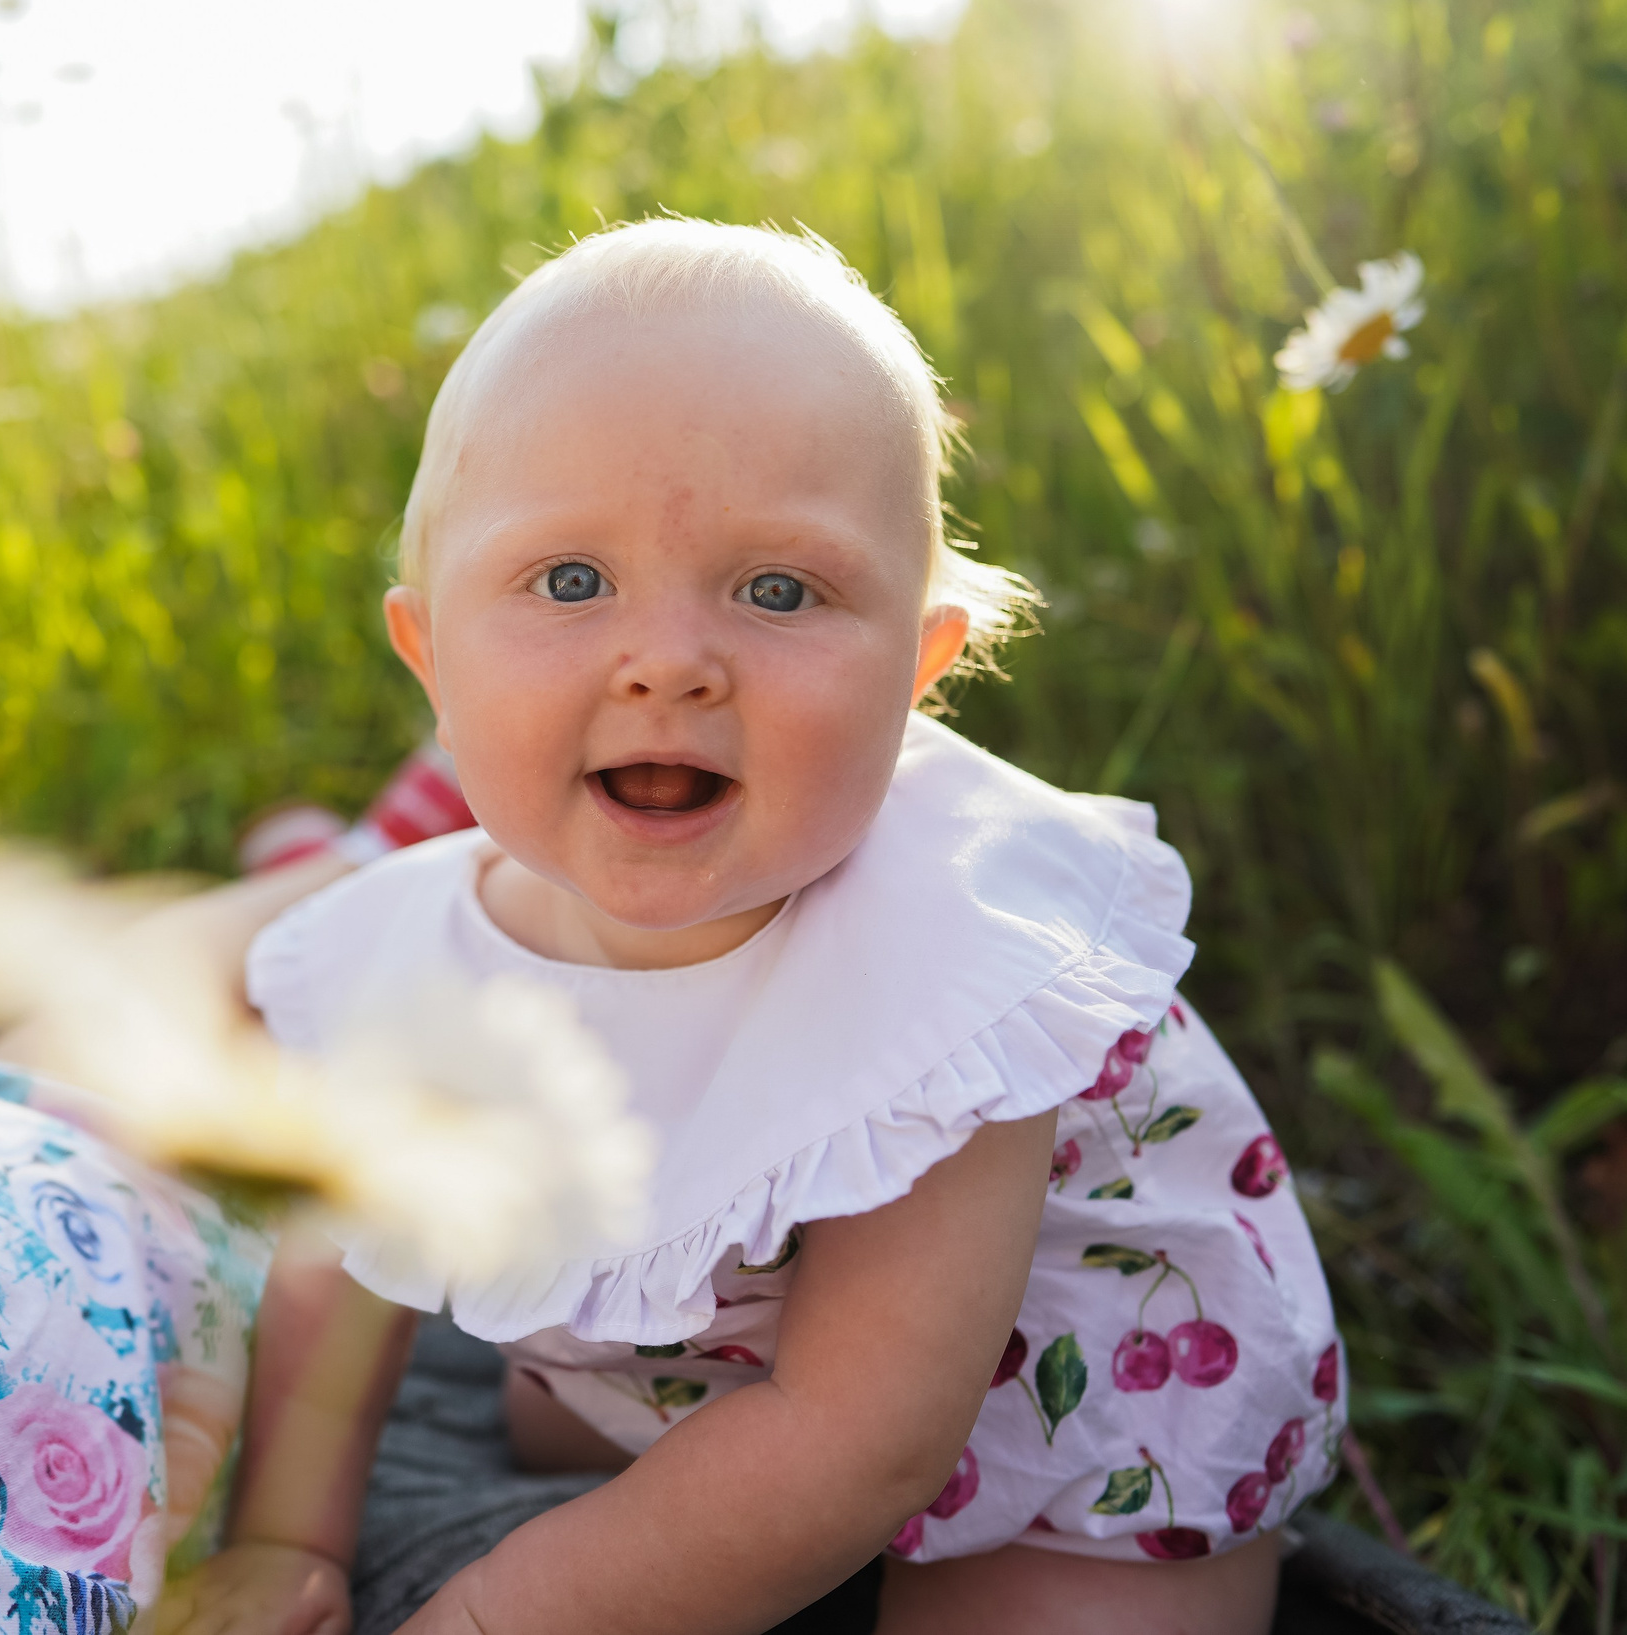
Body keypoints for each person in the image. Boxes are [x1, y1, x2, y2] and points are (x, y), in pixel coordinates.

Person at [175, 218, 1344, 1635]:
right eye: (567, 581)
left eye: (779, 589)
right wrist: (289, 1539)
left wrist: (490, 1614)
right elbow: (340, 1260)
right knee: (562, 1389)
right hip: (731, 1362)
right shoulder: (409, 954)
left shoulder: (945, 961)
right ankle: (647, 1391)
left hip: (1058, 1412)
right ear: (431, 656)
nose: (669, 662)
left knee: (1041, 1592)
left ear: (917, 676)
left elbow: (860, 1439)